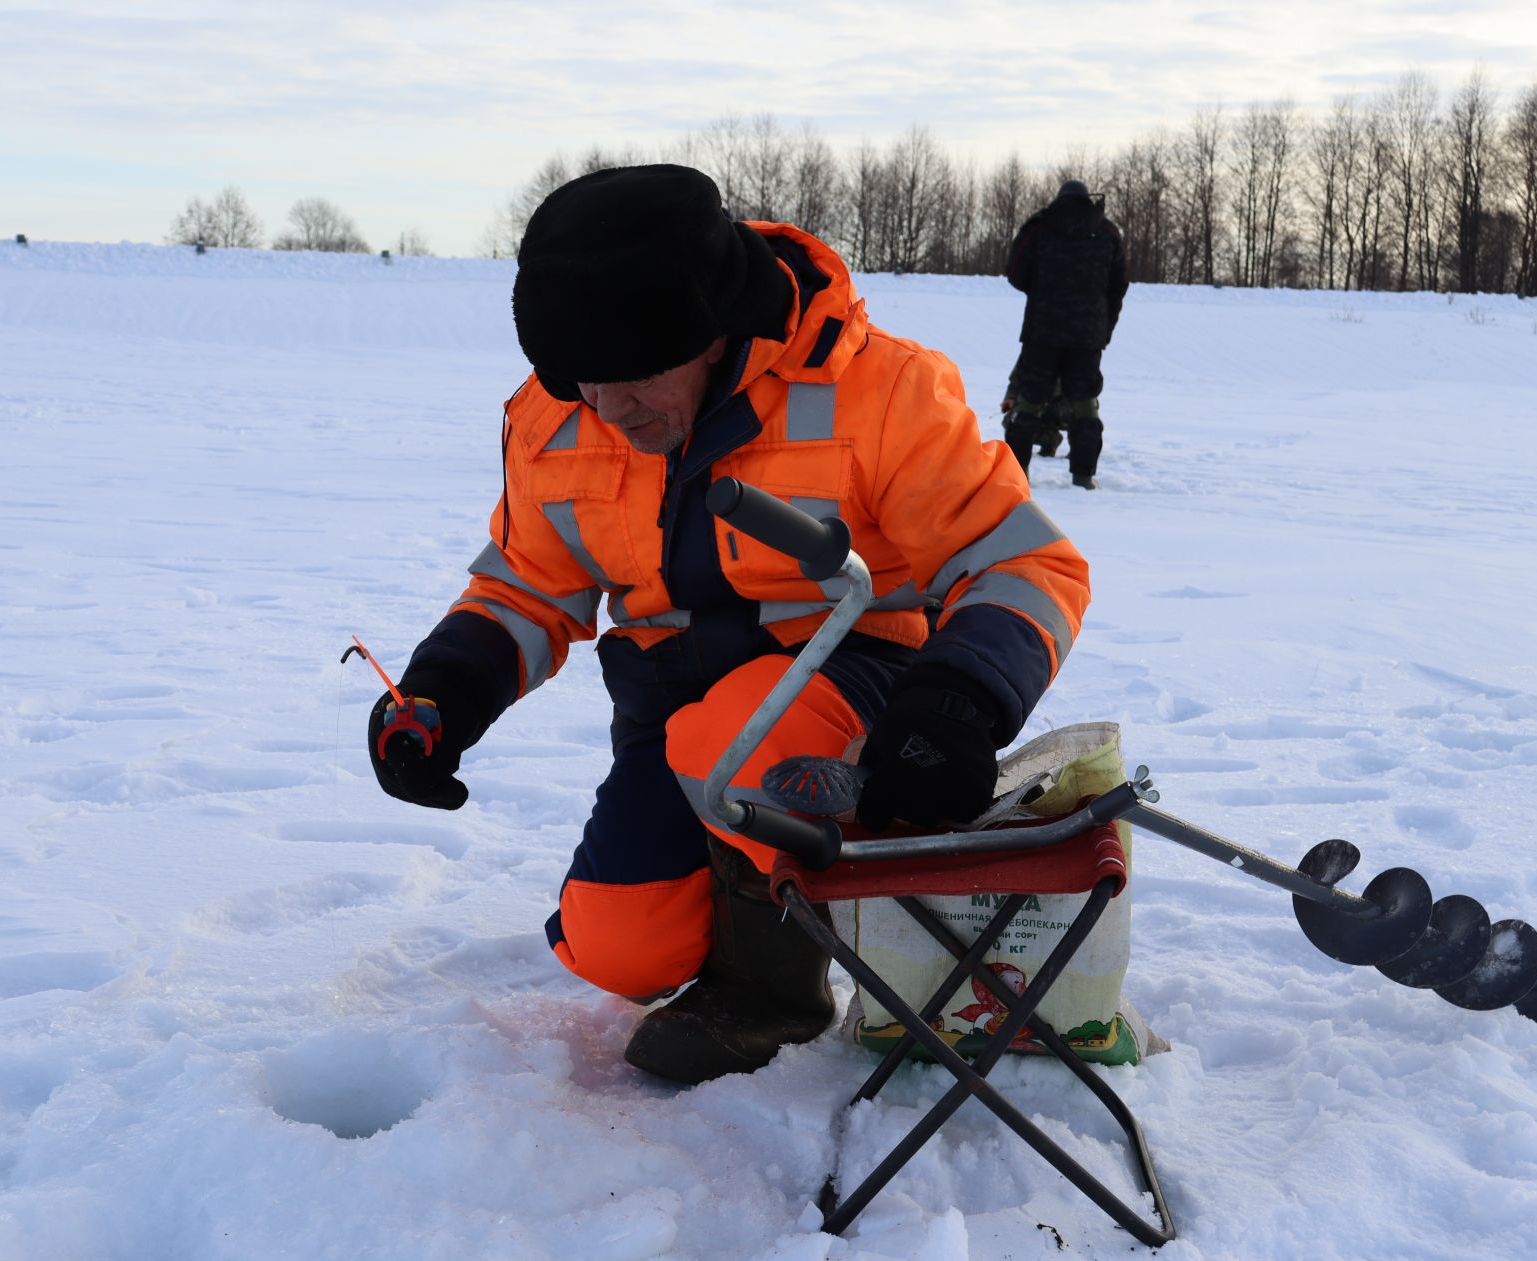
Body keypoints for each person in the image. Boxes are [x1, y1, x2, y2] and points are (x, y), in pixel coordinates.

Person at [368, 165, 1090, 1085]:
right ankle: (757, 887)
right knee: (617, 951)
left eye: (634, 377)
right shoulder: (555, 417)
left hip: (850, 685)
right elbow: (526, 587)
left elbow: (1024, 565)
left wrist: (957, 704)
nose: (607, 408)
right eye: (583, 378)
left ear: (711, 327)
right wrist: (444, 694)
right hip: (667, 716)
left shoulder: (880, 390)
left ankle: (770, 996)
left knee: (739, 746)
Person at [999, 179, 1128, 490]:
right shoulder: (1107, 231)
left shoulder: (1041, 226)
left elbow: (1015, 273)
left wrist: (1044, 291)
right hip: (1088, 335)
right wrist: (1103, 328)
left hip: (1043, 329)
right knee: (1085, 403)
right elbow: (1119, 285)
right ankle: (1083, 477)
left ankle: (1017, 475)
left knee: (1028, 400)